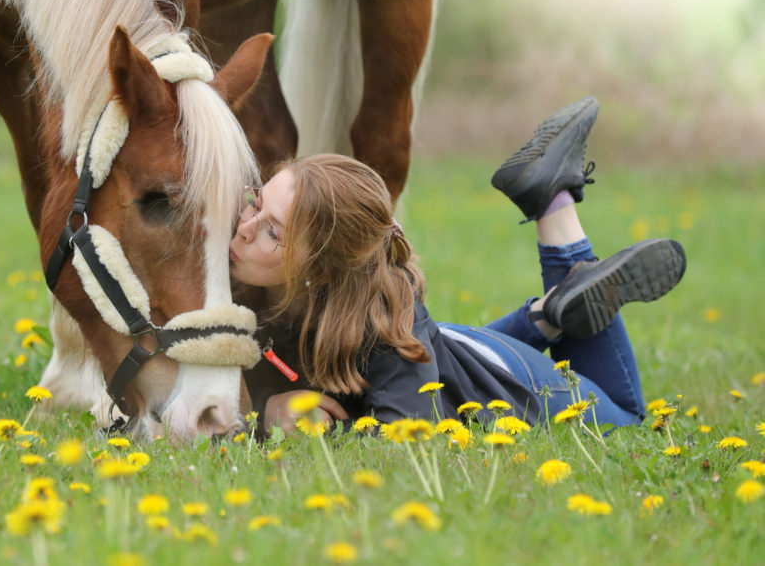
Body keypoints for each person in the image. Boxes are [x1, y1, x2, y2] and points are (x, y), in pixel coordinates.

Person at [232, 96, 687, 434]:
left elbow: (407, 431)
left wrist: (282, 424)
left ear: (323, 270)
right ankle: (547, 313)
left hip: (514, 385)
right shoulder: (237, 272)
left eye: (273, 232)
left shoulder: (381, 333)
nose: (245, 228)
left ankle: (555, 205)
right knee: (440, 348)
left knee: (628, 420)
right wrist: (264, 408)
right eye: (256, 203)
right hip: (455, 350)